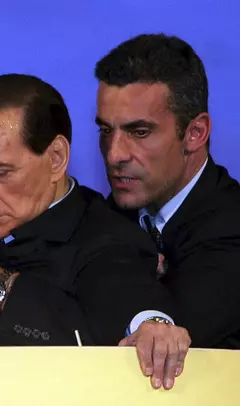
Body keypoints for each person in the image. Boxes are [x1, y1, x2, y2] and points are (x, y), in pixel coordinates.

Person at [0, 74, 191, 390]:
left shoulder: (107, 240)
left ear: (56, 159)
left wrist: (3, 289)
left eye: (0, 172)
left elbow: (131, 309)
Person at [94, 33, 240, 349]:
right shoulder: (102, 214)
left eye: (139, 132)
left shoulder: (233, 226)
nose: (114, 154)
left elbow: (162, 345)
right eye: (105, 130)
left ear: (195, 133)